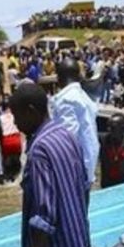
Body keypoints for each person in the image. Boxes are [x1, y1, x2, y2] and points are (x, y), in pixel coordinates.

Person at [9, 84, 90, 247]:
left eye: (17, 116)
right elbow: (83, 188)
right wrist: (84, 242)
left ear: (31, 111)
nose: (15, 123)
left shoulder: (39, 150)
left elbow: (44, 213)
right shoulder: (66, 134)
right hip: (74, 245)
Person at [51, 57, 99, 188]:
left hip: (73, 176)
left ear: (59, 77)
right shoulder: (85, 97)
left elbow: (67, 139)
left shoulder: (66, 100)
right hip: (87, 169)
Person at [0, 100, 23, 181]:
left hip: (6, 141)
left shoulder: (0, 118)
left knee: (6, 165)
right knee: (17, 163)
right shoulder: (15, 116)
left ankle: (8, 178)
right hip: (16, 140)